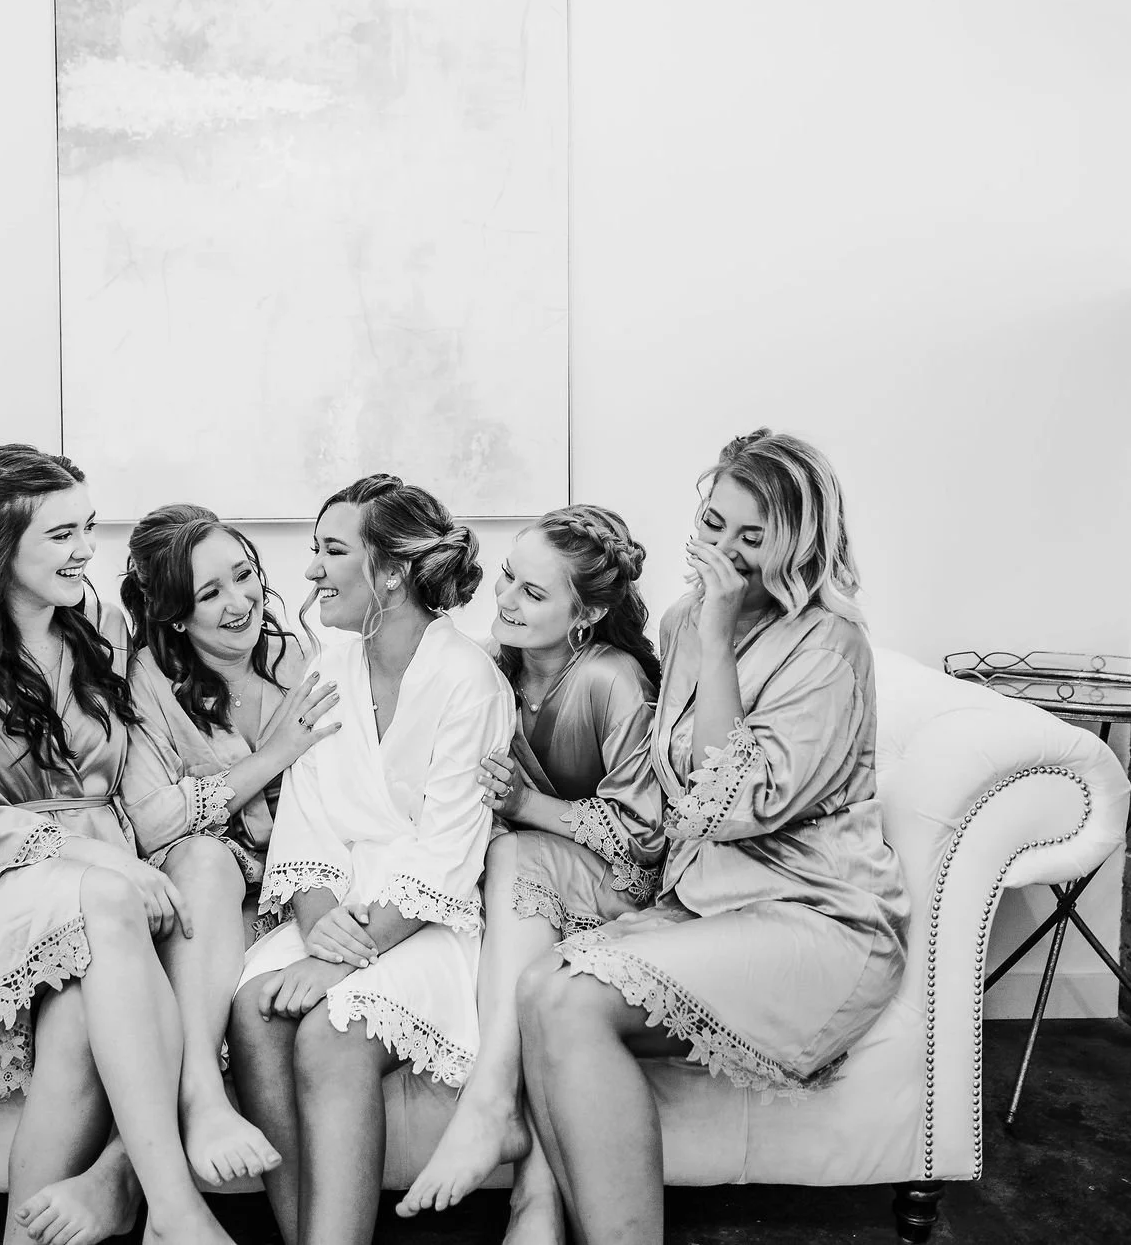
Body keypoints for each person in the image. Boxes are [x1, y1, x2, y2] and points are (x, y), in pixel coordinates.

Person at [515, 431, 909, 1245]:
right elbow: (672, 784)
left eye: (751, 537)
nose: (723, 550)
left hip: (817, 918)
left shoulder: (832, 646)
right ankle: (551, 1218)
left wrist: (722, 634)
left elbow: (729, 801)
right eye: (714, 522)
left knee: (576, 1001)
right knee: (541, 988)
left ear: (797, 544)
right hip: (709, 902)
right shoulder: (682, 617)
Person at [0, 445, 232, 1245]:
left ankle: (90, 1201)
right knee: (111, 901)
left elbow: (146, 759)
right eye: (60, 535)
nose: (85, 549)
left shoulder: (101, 630)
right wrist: (101, 860)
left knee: (100, 993)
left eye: (88, 526)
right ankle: (176, 1208)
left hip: (109, 871)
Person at [227, 474, 514, 1245]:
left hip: (427, 922)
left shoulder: (468, 680)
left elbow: (450, 850)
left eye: (330, 550)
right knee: (255, 1007)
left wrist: (342, 963)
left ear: (389, 570)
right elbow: (309, 823)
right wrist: (323, 936)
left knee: (330, 1030)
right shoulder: (328, 666)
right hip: (340, 911)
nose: (312, 570)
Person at [397, 505, 665, 1242]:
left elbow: (644, 838)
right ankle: (535, 1201)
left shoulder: (613, 679)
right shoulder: (491, 667)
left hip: (618, 887)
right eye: (508, 578)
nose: (506, 599)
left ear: (590, 611)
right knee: (505, 873)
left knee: (514, 851)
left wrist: (530, 804)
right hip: (522, 898)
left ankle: (490, 1102)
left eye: (533, 593)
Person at [116, 503, 342, 1185]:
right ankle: (201, 1097)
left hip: (297, 882)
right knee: (207, 858)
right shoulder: (147, 681)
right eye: (208, 593)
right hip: (205, 895)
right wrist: (275, 754)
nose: (239, 601)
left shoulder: (303, 657)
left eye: (243, 576)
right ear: (176, 615)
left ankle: (121, 1174)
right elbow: (153, 821)